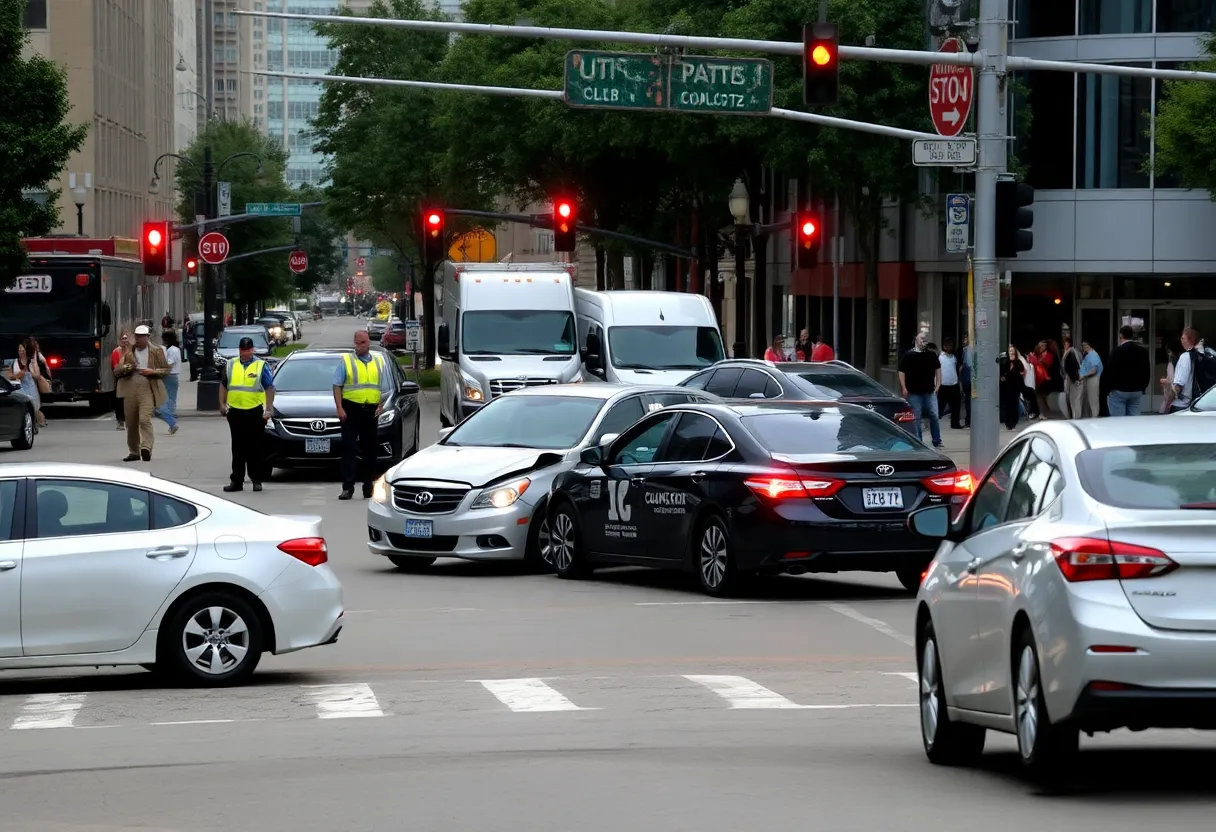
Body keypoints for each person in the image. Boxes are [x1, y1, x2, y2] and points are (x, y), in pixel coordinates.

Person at [219, 336, 275, 492]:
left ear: (253, 350)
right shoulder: (231, 364)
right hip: (235, 411)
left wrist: (268, 409)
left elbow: (269, 388)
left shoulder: (260, 365)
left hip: (255, 411)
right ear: (239, 350)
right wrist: (222, 405)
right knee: (237, 448)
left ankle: (256, 479)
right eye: (242, 350)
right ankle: (237, 481)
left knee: (255, 447)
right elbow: (224, 385)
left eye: (248, 350)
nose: (245, 353)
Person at [334, 330, 385, 500]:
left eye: (362, 343)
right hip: (351, 410)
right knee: (348, 448)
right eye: (356, 343)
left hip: (370, 411)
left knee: (370, 451)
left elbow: (381, 387)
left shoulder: (378, 361)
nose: (359, 346)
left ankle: (368, 486)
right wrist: (339, 408)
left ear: (368, 342)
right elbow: (337, 385)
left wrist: (381, 403)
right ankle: (348, 487)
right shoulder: (347, 361)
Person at [114, 324, 170, 461]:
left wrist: (153, 372)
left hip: (148, 386)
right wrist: (127, 367)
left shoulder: (156, 351)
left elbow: (166, 370)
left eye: (141, 337)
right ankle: (134, 451)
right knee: (131, 422)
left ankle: (146, 448)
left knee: (145, 419)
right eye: (136, 337)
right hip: (130, 387)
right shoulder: (129, 353)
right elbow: (117, 371)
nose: (138, 340)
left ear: (147, 337)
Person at [897, 333, 942, 448]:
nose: (924, 340)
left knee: (934, 415)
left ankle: (937, 440)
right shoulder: (909, 355)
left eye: (925, 339)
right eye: (922, 338)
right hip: (914, 392)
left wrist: (938, 386)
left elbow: (938, 370)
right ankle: (919, 441)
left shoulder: (931, 355)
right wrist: (904, 387)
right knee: (917, 418)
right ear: (916, 340)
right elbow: (902, 371)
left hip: (929, 391)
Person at [1106, 325, 1151, 416]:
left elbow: (1109, 371)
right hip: (1136, 391)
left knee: (1118, 424)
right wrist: (1143, 387)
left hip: (1119, 391)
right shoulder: (1142, 352)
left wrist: (1108, 389)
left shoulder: (1116, 352)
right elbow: (1147, 371)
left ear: (1121, 336)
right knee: (1133, 423)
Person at [1169, 327, 1202, 413]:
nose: (1181, 340)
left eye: (1183, 338)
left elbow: (1179, 385)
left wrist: (1172, 390)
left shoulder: (1185, 356)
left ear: (1190, 340)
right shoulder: (1201, 355)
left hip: (1184, 404)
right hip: (1198, 402)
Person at [155, 329, 182, 434]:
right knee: (168, 401)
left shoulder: (173, 350)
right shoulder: (172, 349)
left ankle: (172, 422)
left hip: (170, 376)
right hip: (170, 377)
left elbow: (169, 363)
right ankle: (172, 423)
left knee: (166, 402)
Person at [999, 345, 1026, 430]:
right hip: (1006, 386)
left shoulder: (1018, 362)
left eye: (1012, 351)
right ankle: (1008, 422)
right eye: (1010, 351)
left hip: (1015, 386)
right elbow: (1001, 372)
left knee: (1014, 404)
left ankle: (1013, 421)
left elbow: (1022, 372)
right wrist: (1001, 378)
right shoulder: (1004, 362)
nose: (1011, 353)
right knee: (1007, 405)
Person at [937, 337, 962, 430]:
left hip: (954, 384)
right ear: (944, 346)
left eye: (951, 346)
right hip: (943, 385)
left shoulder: (954, 357)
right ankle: (934, 422)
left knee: (956, 405)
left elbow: (955, 369)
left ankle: (955, 423)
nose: (950, 347)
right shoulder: (940, 357)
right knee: (940, 406)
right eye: (948, 346)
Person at [110, 330, 130, 430]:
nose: (124, 341)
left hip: (130, 379)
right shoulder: (116, 352)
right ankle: (120, 420)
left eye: (126, 338)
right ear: (119, 340)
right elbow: (115, 366)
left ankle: (128, 420)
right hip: (120, 378)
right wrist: (124, 368)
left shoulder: (131, 351)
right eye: (123, 339)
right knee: (119, 400)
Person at [1079, 339, 1103, 418]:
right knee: (1089, 400)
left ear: (1087, 346)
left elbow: (1094, 370)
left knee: (1093, 399)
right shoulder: (1089, 355)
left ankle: (1094, 417)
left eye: (1083, 346)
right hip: (1088, 380)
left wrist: (1083, 375)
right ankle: (1091, 416)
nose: (1083, 348)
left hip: (1092, 380)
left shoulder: (1093, 355)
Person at [1061, 335, 1083, 418]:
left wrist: (1073, 379)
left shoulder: (1070, 353)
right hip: (1074, 378)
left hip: (1073, 380)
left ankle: (1075, 417)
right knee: (1074, 400)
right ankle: (1075, 416)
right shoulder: (1074, 352)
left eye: (1066, 344)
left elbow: (1072, 367)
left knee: (1074, 399)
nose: (1065, 345)